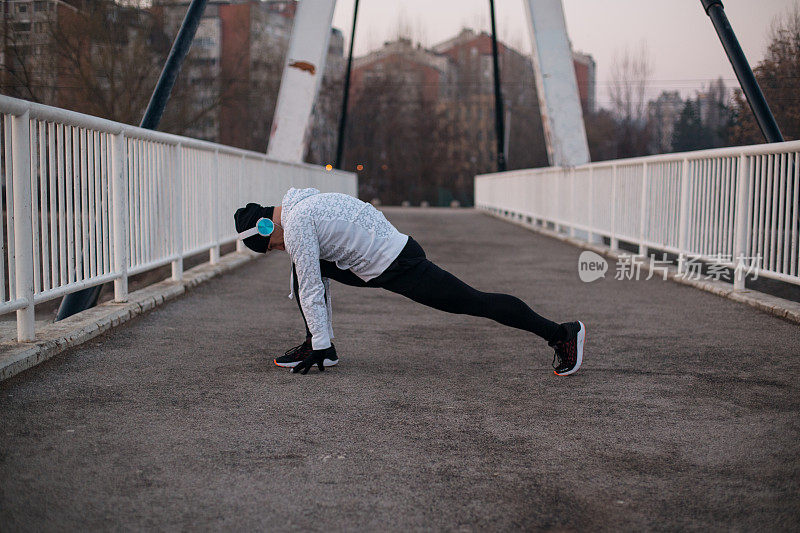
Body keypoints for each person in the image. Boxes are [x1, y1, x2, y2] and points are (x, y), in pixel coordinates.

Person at [234, 188, 585, 376]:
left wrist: (322, 342)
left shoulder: (296, 225)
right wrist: (321, 339)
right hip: (382, 258)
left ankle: (562, 334)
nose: (281, 248)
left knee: (475, 302)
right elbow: (313, 275)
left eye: (274, 246)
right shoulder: (303, 204)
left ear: (268, 228)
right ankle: (319, 346)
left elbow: (311, 286)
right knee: (304, 268)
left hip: (396, 264)